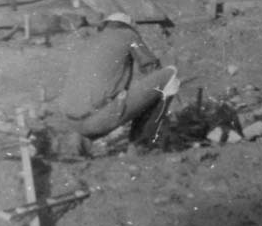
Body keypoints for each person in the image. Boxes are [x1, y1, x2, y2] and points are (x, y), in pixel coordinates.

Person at [52, 13, 178, 155]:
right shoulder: (128, 35)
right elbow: (151, 68)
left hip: (72, 122)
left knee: (92, 100)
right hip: (99, 120)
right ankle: (141, 145)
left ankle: (80, 145)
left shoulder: (90, 40)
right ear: (128, 27)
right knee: (170, 74)